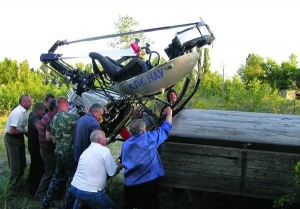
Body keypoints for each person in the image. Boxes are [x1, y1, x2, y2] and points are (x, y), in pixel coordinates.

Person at [121, 106, 173, 209]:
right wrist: (169, 113)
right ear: (144, 130)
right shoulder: (149, 138)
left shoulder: (125, 144)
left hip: (130, 184)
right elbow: (166, 128)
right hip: (147, 183)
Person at [42, 96, 79, 209]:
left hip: (58, 152)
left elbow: (53, 139)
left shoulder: (53, 120)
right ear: (66, 105)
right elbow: (82, 123)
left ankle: (46, 201)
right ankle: (67, 205)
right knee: (75, 180)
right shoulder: (69, 117)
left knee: (57, 178)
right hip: (69, 153)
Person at [70, 130, 123, 209]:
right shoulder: (104, 150)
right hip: (91, 193)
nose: (106, 138)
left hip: (74, 188)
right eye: (104, 136)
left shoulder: (86, 151)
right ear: (99, 139)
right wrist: (119, 165)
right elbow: (112, 172)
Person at [4, 94, 32, 189]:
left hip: (18, 137)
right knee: (15, 166)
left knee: (22, 163)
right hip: (12, 138)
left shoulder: (25, 111)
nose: (30, 103)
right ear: (22, 102)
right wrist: (25, 132)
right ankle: (11, 189)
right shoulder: (18, 113)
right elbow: (12, 131)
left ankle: (18, 184)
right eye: (28, 101)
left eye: (30, 101)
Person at [34, 99, 58, 198]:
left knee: (48, 172)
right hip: (47, 151)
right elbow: (49, 138)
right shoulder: (50, 119)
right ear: (55, 108)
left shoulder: (48, 116)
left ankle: (39, 194)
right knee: (53, 173)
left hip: (44, 150)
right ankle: (46, 195)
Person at [27, 102, 47, 197]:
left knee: (34, 167)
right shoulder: (34, 118)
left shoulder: (32, 115)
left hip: (33, 147)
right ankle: (34, 191)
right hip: (35, 148)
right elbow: (40, 128)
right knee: (39, 169)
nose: (44, 112)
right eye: (43, 110)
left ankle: (30, 184)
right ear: (37, 110)